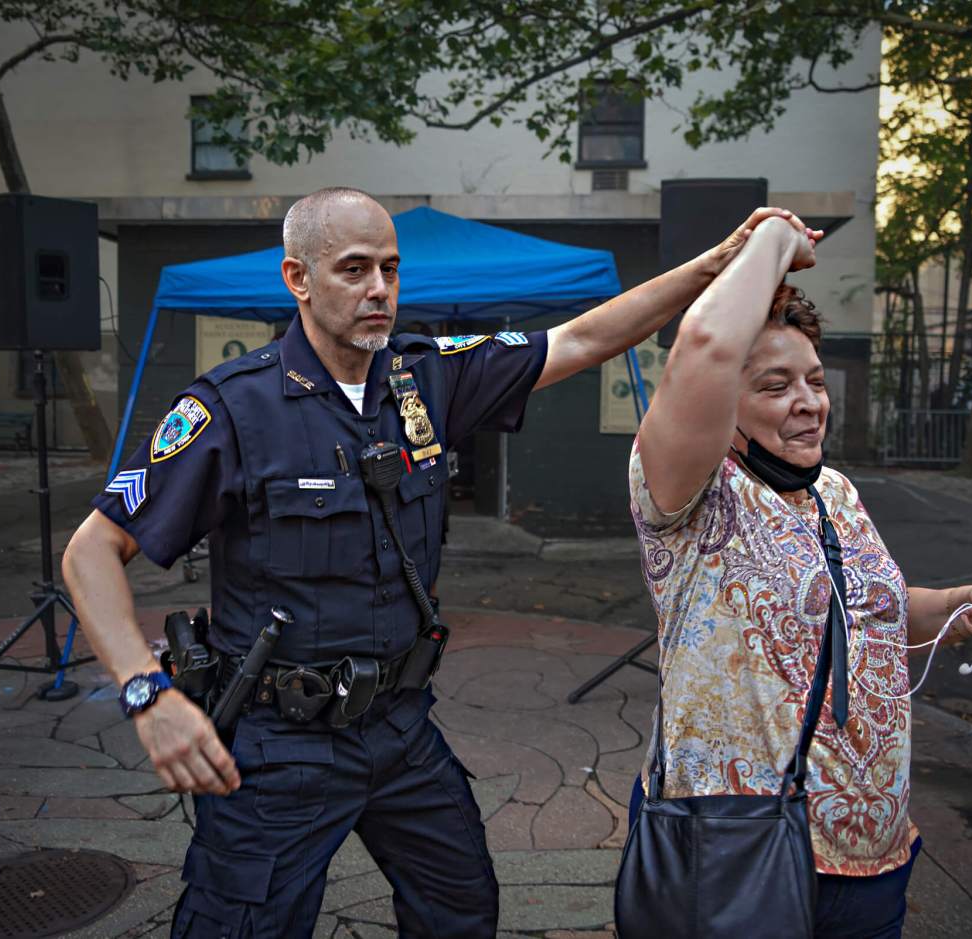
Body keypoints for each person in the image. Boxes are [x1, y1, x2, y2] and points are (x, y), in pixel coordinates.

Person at [61, 187, 820, 939]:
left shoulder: (425, 376)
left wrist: (720, 261)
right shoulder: (231, 407)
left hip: (398, 728)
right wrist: (146, 694)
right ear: (298, 279)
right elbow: (92, 550)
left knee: (461, 906)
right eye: (354, 269)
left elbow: (584, 340)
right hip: (277, 746)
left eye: (390, 269)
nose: (379, 289)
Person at [626, 216, 972, 938]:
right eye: (776, 386)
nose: (809, 401)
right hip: (741, 846)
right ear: (724, 405)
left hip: (873, 853)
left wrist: (957, 608)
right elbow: (706, 347)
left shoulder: (833, 490)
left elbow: (870, 614)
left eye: (815, 380)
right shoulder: (691, 491)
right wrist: (775, 239)